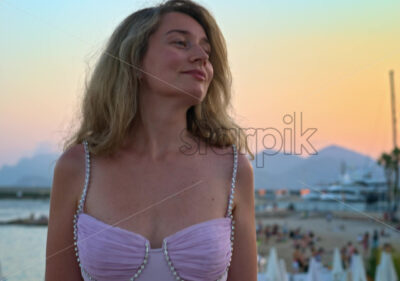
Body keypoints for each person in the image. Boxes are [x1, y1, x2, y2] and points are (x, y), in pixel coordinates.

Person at [44, 1, 257, 280]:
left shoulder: (232, 169)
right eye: (181, 43)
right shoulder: (77, 168)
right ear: (133, 61)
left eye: (206, 48)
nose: (202, 56)